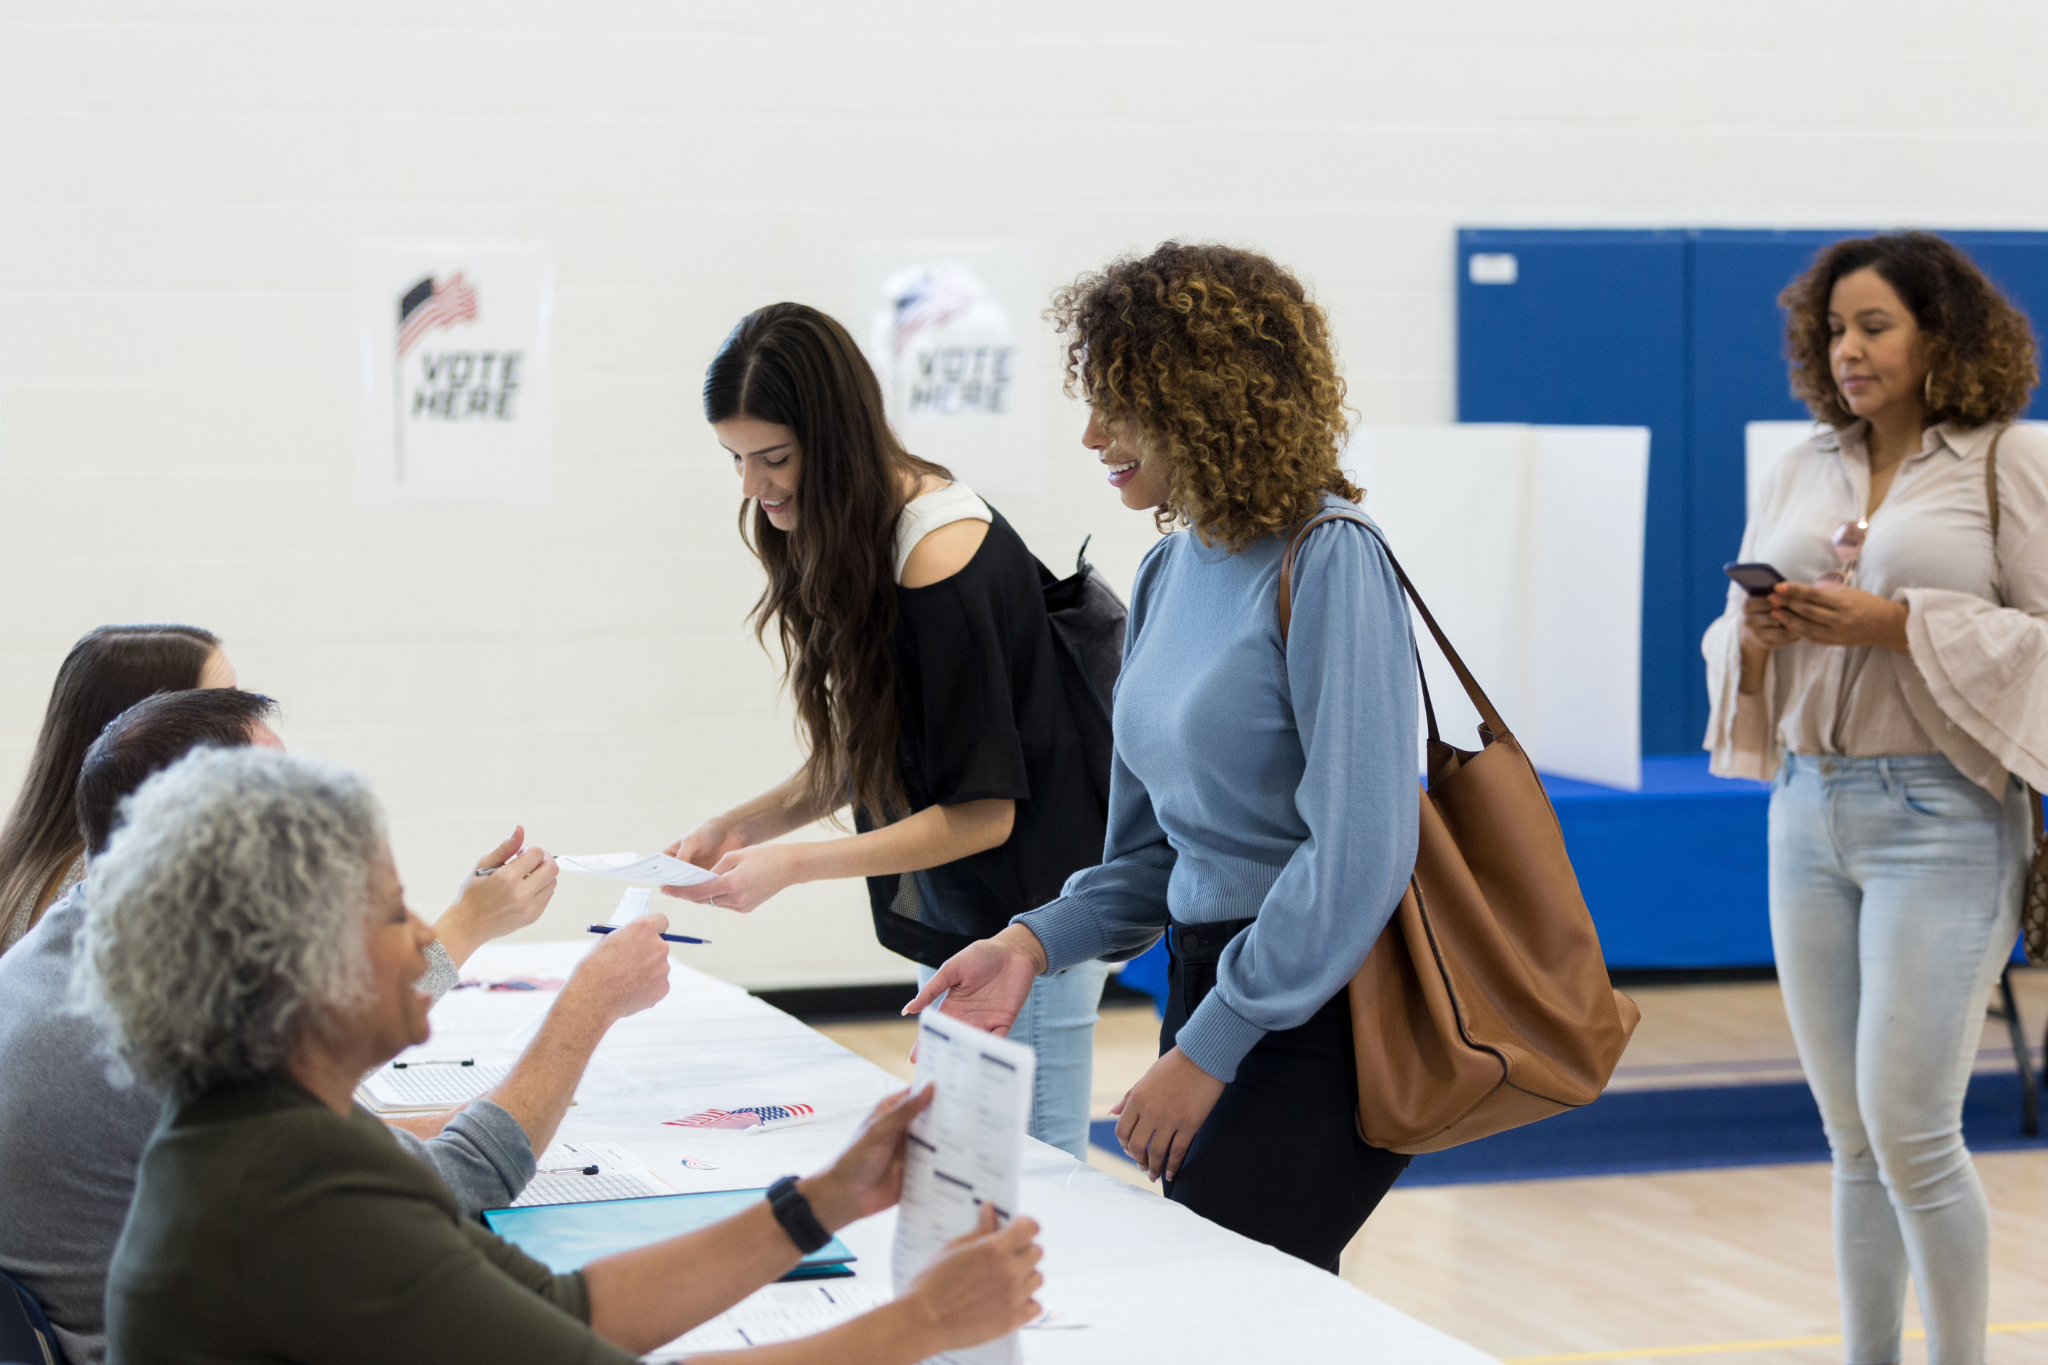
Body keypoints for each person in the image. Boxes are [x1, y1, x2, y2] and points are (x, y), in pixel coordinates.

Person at [80, 746, 1042, 1364]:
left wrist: (823, 1198)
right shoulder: (295, 1190)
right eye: (387, 909)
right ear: (296, 969)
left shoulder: (271, 1137)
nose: (424, 934)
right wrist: (918, 1323)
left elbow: (559, 1308)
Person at [906, 242, 1421, 1272]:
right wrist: (1028, 944)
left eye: (1121, 406)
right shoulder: (1166, 570)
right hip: (1206, 984)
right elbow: (1152, 861)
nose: (1094, 435)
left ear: (1210, 400)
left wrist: (1212, 1047)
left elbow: (1357, 856)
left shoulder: (1331, 558)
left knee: (1222, 1307)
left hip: (1317, 1010)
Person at [0, 687, 665, 1365]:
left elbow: (330, 1095)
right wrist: (589, 1004)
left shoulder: (76, 953)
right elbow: (456, 1181)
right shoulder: (162, 1040)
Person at [1702, 231, 2048, 1365]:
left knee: (1911, 1132)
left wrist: (1896, 624)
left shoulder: (2006, 462)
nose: (1844, 350)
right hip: (1802, 809)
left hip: (1941, 817)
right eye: (1831, 329)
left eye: (1873, 325)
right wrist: (1750, 635)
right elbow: (1730, 642)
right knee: (1849, 1138)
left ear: (1939, 333)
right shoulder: (1800, 467)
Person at [662, 302, 1112, 1159]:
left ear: (833, 436)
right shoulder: (841, 523)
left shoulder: (940, 554)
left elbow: (985, 811)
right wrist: (741, 827)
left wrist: (790, 865)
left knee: (1039, 1178)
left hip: (1034, 906)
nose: (756, 488)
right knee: (958, 1161)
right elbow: (876, 748)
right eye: (738, 460)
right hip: (963, 903)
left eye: (776, 459)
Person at [0, 624, 226, 951]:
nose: (246, 727)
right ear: (146, 731)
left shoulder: (28, 866)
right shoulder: (104, 880)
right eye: (224, 708)